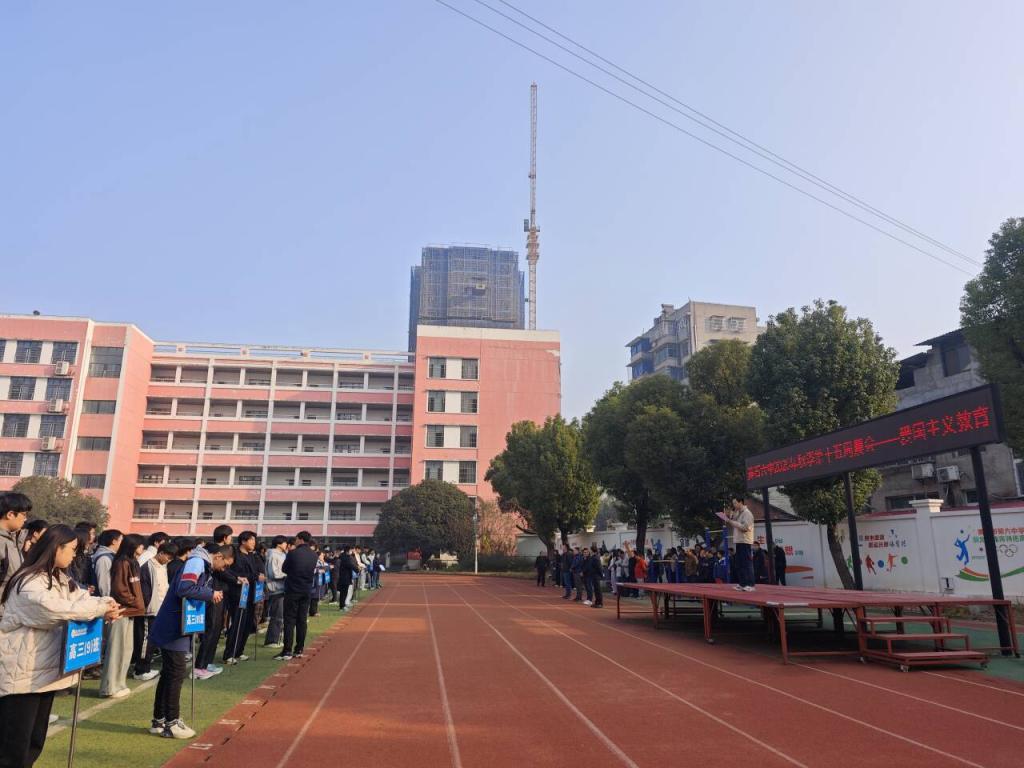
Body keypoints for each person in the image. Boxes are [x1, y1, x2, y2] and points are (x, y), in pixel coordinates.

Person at [0, 525, 122, 766]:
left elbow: (81, 599)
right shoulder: (29, 582)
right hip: (21, 676)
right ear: (56, 548)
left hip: (43, 673)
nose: (74, 555)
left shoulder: (60, 578)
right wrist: (100, 608)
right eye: (72, 549)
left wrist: (106, 603)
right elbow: (55, 610)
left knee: (34, 742)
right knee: (13, 747)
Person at [148, 542, 232, 737]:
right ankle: (171, 723)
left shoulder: (200, 563)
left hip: (178, 624)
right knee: (175, 673)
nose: (224, 569)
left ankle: (160, 720)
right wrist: (210, 593)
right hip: (174, 626)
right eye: (225, 564)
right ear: (218, 556)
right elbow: (184, 588)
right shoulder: (197, 562)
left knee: (169, 673)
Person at [100, 534, 146, 698]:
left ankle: (119, 683)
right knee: (116, 650)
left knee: (126, 650)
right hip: (121, 611)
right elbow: (119, 590)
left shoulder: (133, 563)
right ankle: (109, 687)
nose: (142, 548)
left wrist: (137, 605)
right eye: (141, 545)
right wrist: (135, 602)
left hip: (131, 611)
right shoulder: (121, 563)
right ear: (133, 546)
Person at [194, 525, 233, 678]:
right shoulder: (201, 561)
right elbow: (188, 586)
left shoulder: (211, 560)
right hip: (209, 596)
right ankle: (200, 666)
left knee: (216, 629)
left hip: (215, 594)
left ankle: (205, 664)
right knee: (210, 629)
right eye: (225, 564)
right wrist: (236, 579)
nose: (224, 568)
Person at [135, 541, 176, 681]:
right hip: (150, 610)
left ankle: (146, 667)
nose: (168, 560)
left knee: (152, 641)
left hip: (160, 609)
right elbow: (145, 590)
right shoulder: (147, 566)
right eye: (168, 557)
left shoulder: (162, 566)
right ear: (161, 553)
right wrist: (148, 607)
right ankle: (140, 670)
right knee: (145, 640)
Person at [275, 531, 317, 661]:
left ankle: (287, 650)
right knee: (302, 620)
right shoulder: (313, 554)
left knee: (289, 620)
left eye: (296, 539)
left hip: (293, 589)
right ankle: (299, 649)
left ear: (300, 539)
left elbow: (284, 569)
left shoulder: (293, 553)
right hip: (306, 590)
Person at [223, 531, 262, 665]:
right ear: (243, 541)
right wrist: (254, 576)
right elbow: (234, 573)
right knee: (237, 623)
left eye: (254, 540)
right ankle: (229, 654)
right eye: (251, 540)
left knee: (247, 623)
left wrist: (258, 576)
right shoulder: (235, 554)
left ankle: (239, 651)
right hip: (238, 594)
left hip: (250, 593)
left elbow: (257, 571)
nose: (254, 543)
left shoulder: (253, 556)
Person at [0, 493, 31, 617]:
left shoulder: (13, 541)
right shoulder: (2, 543)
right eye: (24, 514)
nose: (25, 519)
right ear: (10, 514)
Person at [717, 497, 756, 592]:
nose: (734, 505)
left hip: (745, 541)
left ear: (741, 502)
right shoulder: (738, 513)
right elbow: (733, 521)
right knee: (740, 563)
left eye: (735, 503)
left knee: (746, 563)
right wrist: (728, 516)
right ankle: (743, 584)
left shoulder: (747, 513)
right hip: (739, 540)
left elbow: (745, 528)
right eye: (733, 503)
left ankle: (750, 584)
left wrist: (730, 521)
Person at [263, 535, 288, 646]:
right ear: (278, 544)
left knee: (280, 615)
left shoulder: (282, 555)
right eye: (284, 542)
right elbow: (273, 573)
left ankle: (276, 638)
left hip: (282, 587)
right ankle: (271, 640)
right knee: (277, 615)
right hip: (276, 588)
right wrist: (287, 575)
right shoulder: (273, 554)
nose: (286, 545)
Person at [90, 529, 122, 598]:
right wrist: (109, 600)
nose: (123, 544)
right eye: (121, 541)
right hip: (104, 601)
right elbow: (104, 585)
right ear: (114, 542)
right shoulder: (104, 559)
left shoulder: (110, 556)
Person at [336, 546, 354, 611]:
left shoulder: (343, 556)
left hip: (345, 577)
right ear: (347, 551)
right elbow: (350, 565)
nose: (351, 552)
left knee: (344, 592)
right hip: (344, 577)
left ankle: (343, 605)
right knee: (343, 592)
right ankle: (342, 606)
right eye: (350, 550)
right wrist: (357, 569)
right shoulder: (345, 558)